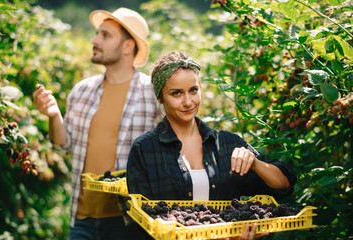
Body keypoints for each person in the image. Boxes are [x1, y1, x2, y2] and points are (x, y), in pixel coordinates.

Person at [127, 51, 297, 239]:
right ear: (160, 97)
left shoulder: (227, 144)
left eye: (193, 90)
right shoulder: (145, 149)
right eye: (176, 93)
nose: (188, 101)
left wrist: (255, 163)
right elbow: (142, 224)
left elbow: (284, 185)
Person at [32, 7, 160, 240]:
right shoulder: (82, 90)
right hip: (82, 219)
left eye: (105, 35)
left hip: (129, 221)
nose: (94, 40)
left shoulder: (152, 94)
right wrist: (53, 116)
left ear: (127, 46)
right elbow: (64, 144)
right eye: (97, 33)